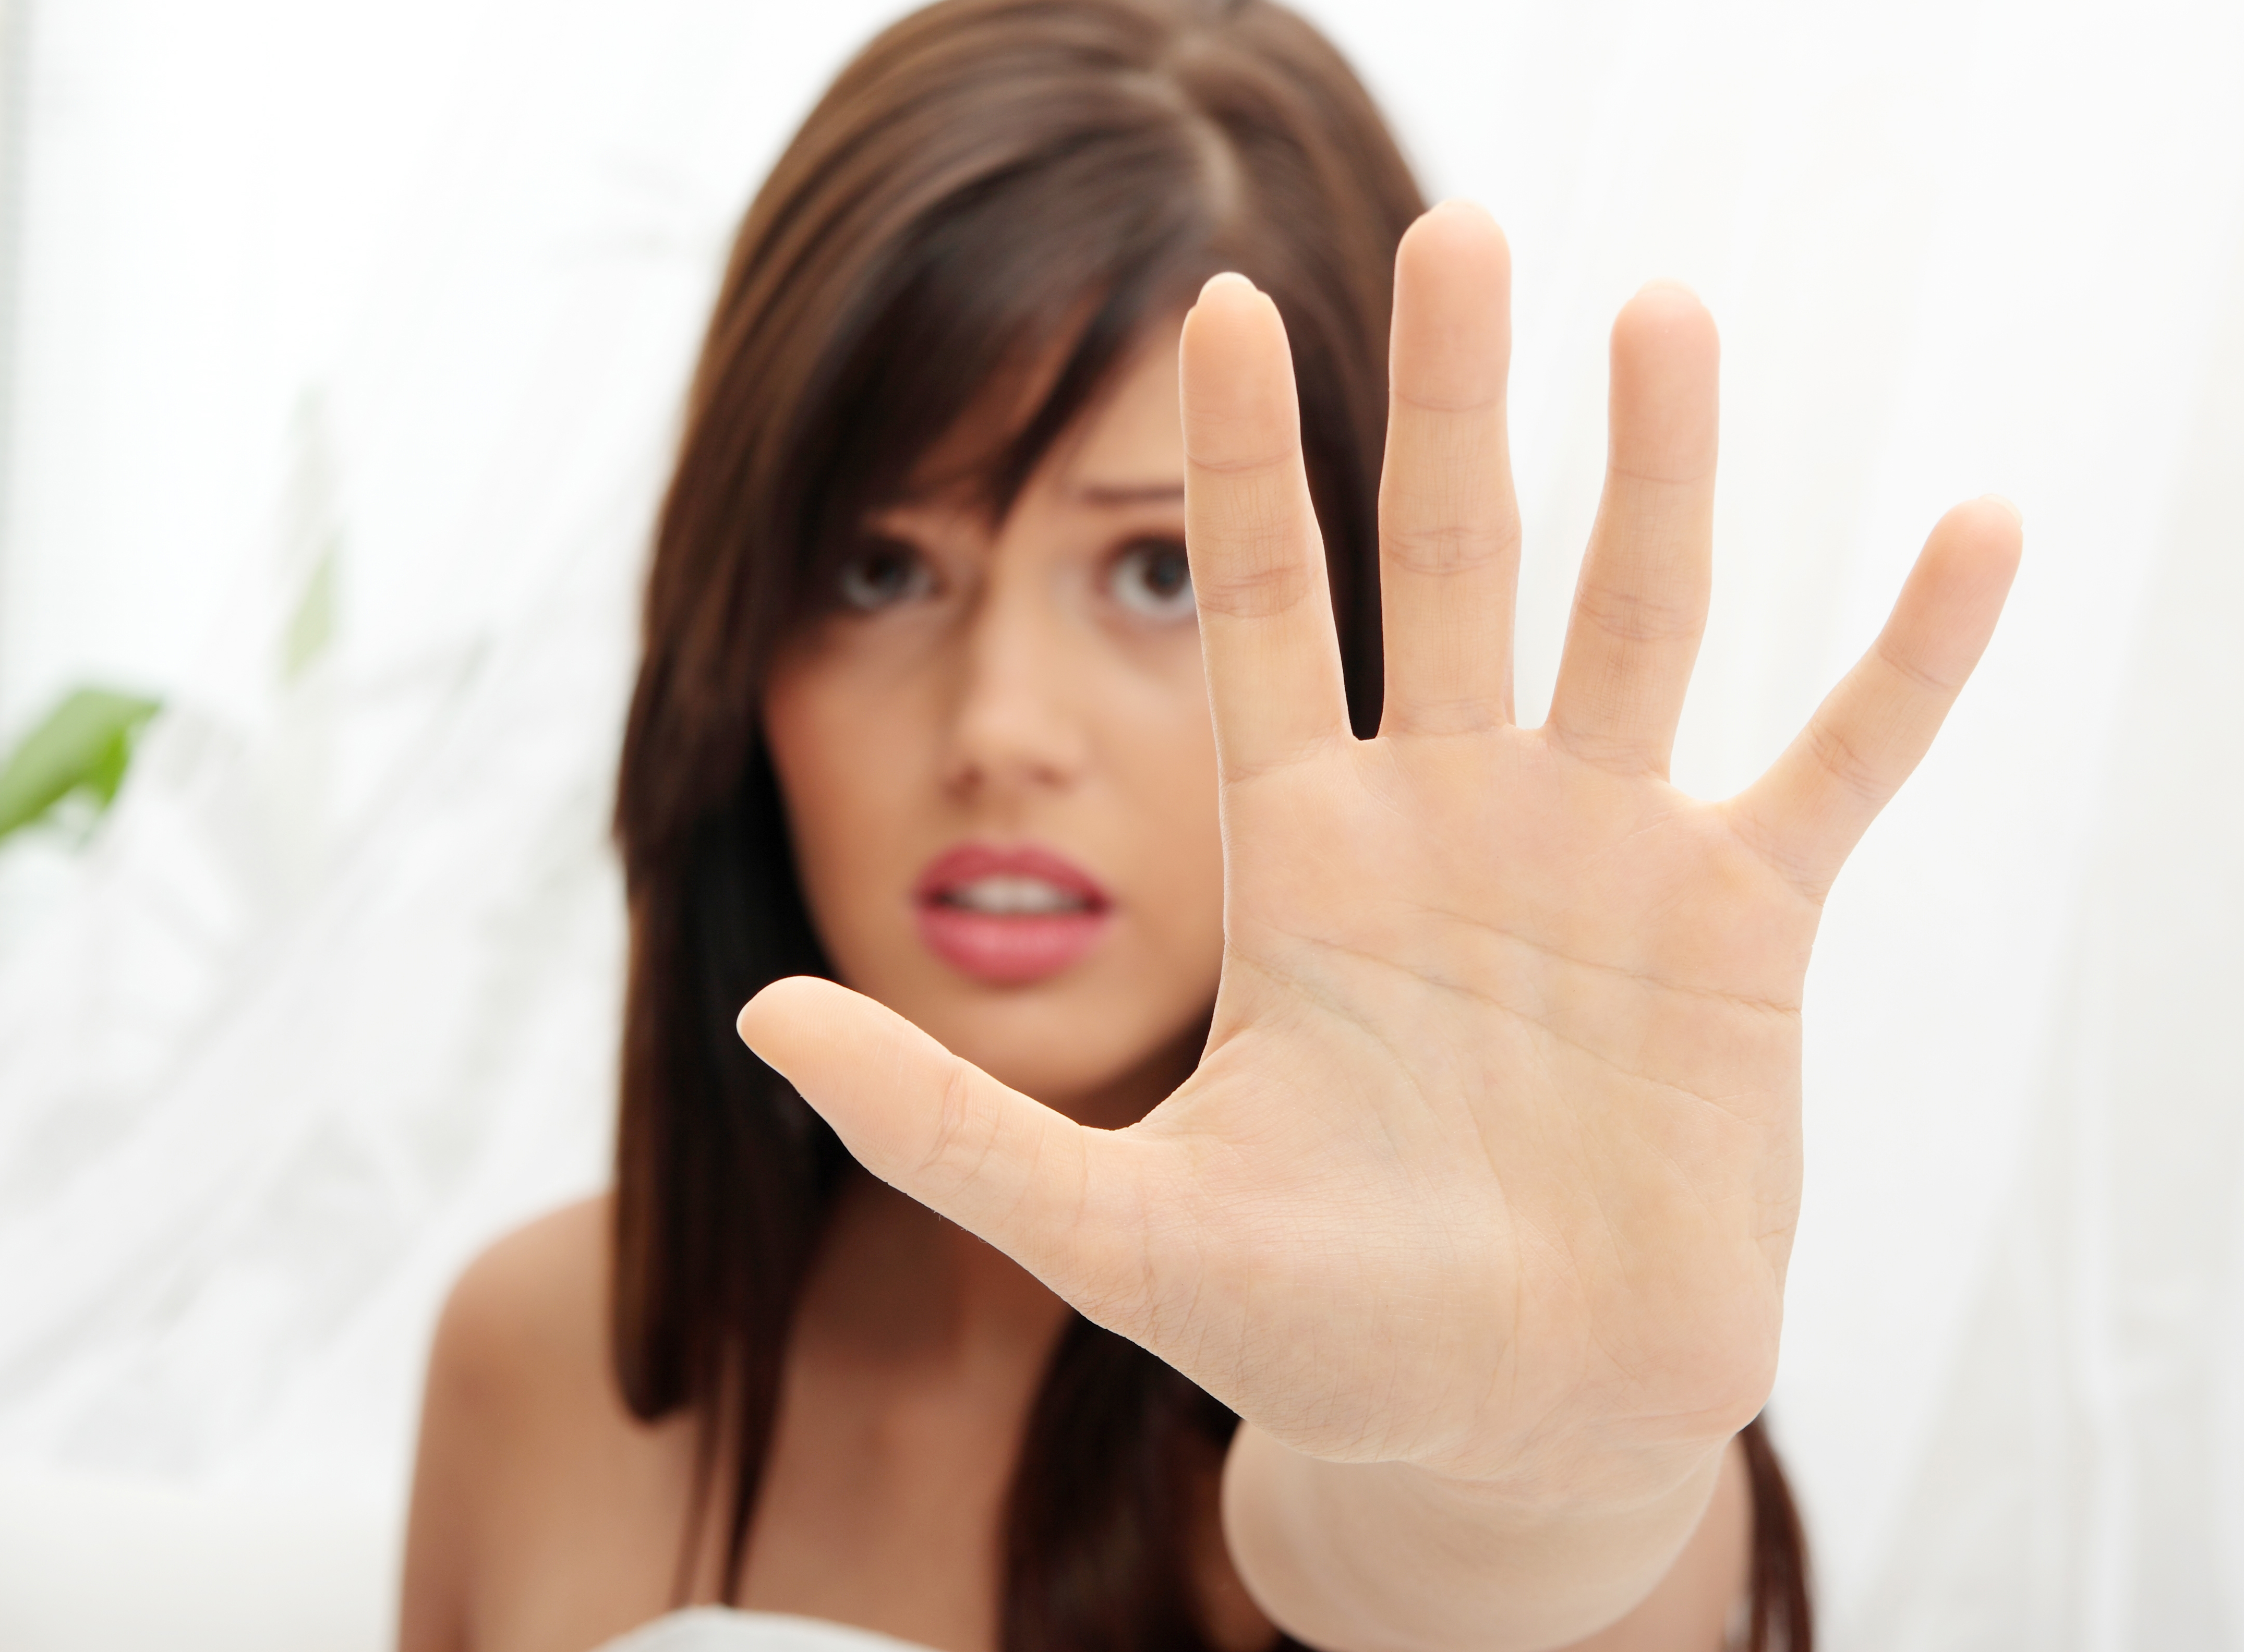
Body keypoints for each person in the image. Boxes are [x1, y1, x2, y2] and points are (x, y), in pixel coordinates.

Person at [395, 0, 2018, 1647]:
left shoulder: (1487, 1409)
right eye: (882, 570)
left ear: (1365, 630)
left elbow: (1428, 1529)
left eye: (1156, 572)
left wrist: (1536, 1484)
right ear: (736, 648)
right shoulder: (533, 1364)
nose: (1000, 730)